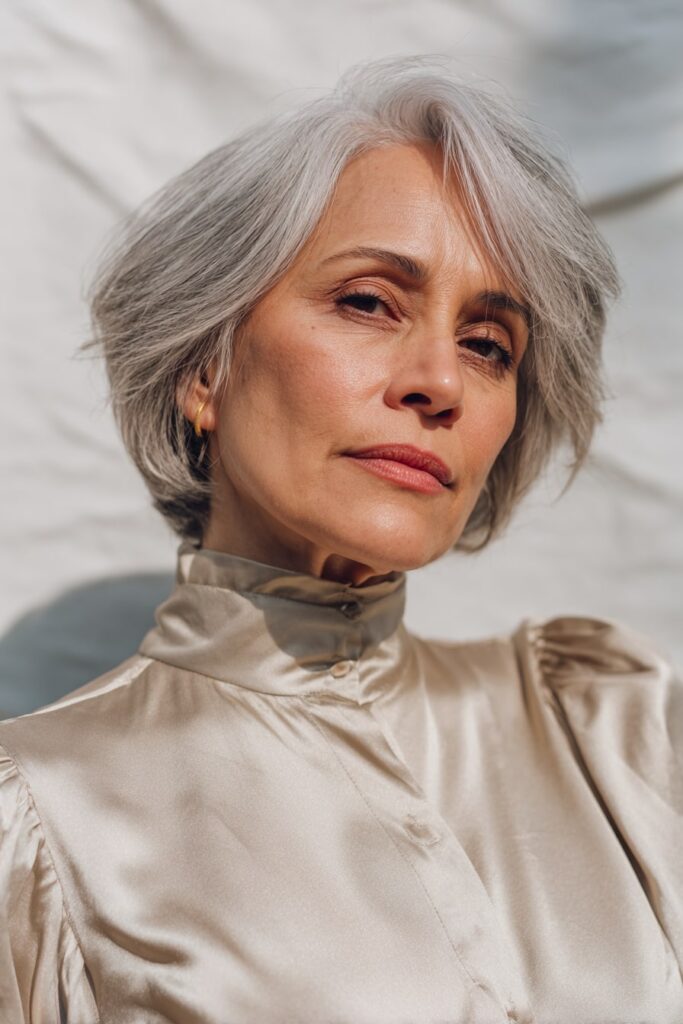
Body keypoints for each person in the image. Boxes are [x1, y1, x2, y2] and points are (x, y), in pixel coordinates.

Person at [0, 55, 680, 1024]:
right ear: (204, 367)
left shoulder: (608, 728)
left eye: (488, 345)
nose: (438, 382)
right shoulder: (42, 816)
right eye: (367, 302)